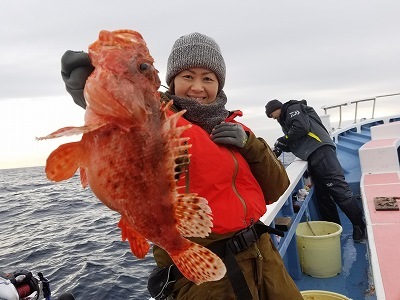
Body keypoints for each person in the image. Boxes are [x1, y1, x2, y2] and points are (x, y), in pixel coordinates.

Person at [60, 32, 303, 300]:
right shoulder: (157, 117)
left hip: (264, 257)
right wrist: (93, 93)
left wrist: (250, 144)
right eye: (188, 76)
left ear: (219, 85)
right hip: (207, 281)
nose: (198, 87)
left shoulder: (237, 128)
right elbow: (130, 116)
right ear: (171, 82)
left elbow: (277, 187)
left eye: (207, 78)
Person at [265, 99, 366, 242]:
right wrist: (282, 146)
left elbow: (301, 127)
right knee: (323, 196)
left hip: (321, 151)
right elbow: (297, 139)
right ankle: (333, 228)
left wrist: (284, 138)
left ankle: (359, 225)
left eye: (273, 115)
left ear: (277, 108)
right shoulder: (285, 121)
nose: (274, 118)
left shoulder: (293, 108)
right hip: (312, 155)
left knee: (338, 190)